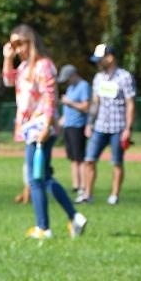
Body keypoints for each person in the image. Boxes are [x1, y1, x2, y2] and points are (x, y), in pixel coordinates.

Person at [2, 25, 87, 240]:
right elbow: (7, 80)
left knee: (34, 178)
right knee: (44, 176)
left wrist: (47, 125)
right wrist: (7, 58)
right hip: (29, 126)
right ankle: (75, 217)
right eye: (13, 44)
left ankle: (43, 227)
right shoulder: (23, 68)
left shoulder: (44, 65)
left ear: (30, 42)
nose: (17, 48)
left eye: (20, 43)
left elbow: (51, 97)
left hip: (40, 126)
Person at [83, 43, 136, 205]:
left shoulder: (125, 77)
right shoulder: (98, 78)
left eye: (100, 59)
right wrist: (89, 123)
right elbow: (95, 102)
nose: (98, 63)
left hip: (118, 127)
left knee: (116, 162)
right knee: (89, 159)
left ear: (110, 58)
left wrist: (128, 128)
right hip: (100, 126)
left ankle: (114, 196)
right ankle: (87, 194)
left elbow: (130, 104)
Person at [57, 64, 90, 203]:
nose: (66, 82)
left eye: (67, 79)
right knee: (72, 158)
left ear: (73, 75)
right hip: (68, 126)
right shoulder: (70, 88)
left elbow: (85, 106)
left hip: (78, 126)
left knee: (80, 158)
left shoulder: (84, 86)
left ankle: (83, 186)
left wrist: (69, 103)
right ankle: (75, 186)